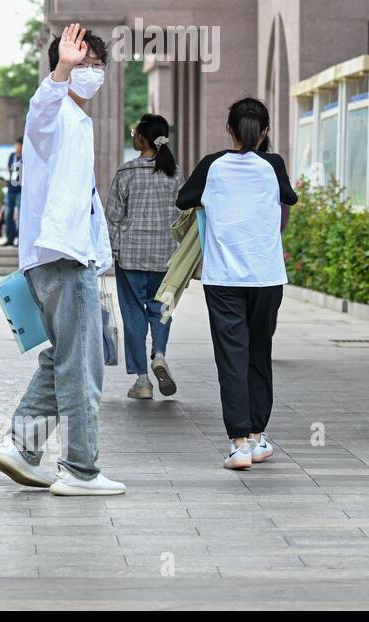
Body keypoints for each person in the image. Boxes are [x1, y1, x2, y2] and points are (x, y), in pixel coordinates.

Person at [0, 23, 126, 496]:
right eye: (82, 63)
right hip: (63, 260)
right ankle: (80, 470)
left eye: (96, 65)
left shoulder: (76, 121)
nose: (93, 73)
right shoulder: (56, 113)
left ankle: (21, 447)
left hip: (59, 258)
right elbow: (40, 110)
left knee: (64, 358)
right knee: (83, 365)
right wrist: (63, 69)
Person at [176, 98, 298, 471]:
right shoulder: (273, 165)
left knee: (232, 356)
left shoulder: (212, 165)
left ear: (229, 130)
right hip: (266, 277)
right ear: (264, 132)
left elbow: (184, 199)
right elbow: (289, 198)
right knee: (259, 353)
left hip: (224, 278)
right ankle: (259, 436)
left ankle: (239, 443)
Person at [106, 114, 183, 400]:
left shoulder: (126, 173)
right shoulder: (175, 174)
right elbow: (183, 217)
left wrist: (111, 251)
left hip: (130, 257)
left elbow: (113, 218)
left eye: (134, 132)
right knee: (162, 310)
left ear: (142, 139)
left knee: (134, 314)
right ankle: (159, 355)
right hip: (167, 259)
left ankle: (142, 381)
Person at [3, 138, 23, 246]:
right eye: (16, 145)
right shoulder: (12, 156)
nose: (17, 148)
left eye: (19, 145)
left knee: (20, 216)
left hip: (21, 189)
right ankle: (9, 238)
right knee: (8, 214)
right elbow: (8, 168)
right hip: (11, 189)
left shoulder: (26, 156)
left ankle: (20, 239)